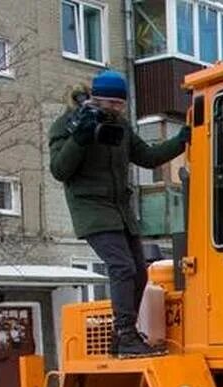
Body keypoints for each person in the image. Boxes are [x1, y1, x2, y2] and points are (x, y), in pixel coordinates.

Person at [48, 70, 190, 357]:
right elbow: (60, 170)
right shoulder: (67, 125)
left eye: (120, 105)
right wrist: (81, 137)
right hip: (92, 210)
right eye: (110, 105)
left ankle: (121, 339)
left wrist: (182, 139)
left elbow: (148, 158)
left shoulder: (121, 127)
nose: (116, 110)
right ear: (96, 100)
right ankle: (126, 334)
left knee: (139, 273)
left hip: (121, 211)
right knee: (122, 267)